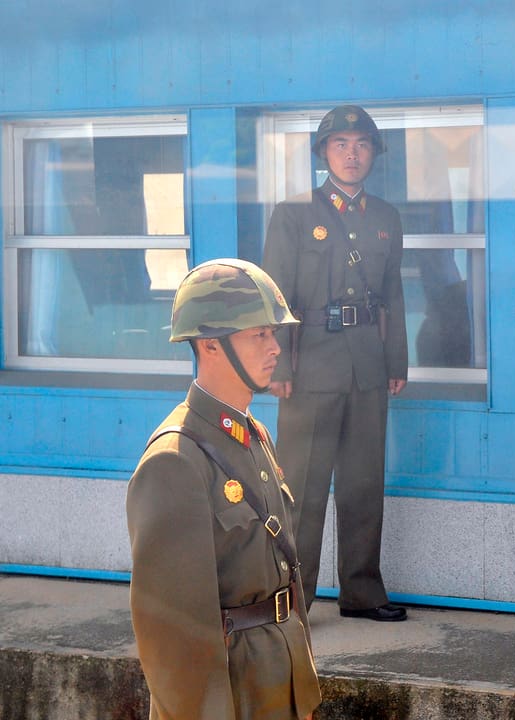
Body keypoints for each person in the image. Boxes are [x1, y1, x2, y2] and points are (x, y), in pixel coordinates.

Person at [126, 258, 323, 720]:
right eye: (259, 334)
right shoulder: (175, 461)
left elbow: (286, 577)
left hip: (280, 683)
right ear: (210, 344)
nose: (275, 347)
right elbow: (172, 638)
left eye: (273, 334)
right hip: (232, 697)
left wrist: (305, 691)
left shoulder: (252, 434)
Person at [263, 105, 408, 622]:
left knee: (363, 484)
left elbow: (392, 293)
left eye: (362, 144)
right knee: (301, 489)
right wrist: (276, 367)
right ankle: (291, 600)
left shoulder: (386, 217)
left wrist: (397, 361)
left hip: (368, 363)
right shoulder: (294, 213)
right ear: (324, 152)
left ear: (374, 153)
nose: (352, 154)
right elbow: (274, 297)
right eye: (341, 144)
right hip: (311, 367)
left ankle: (363, 591)